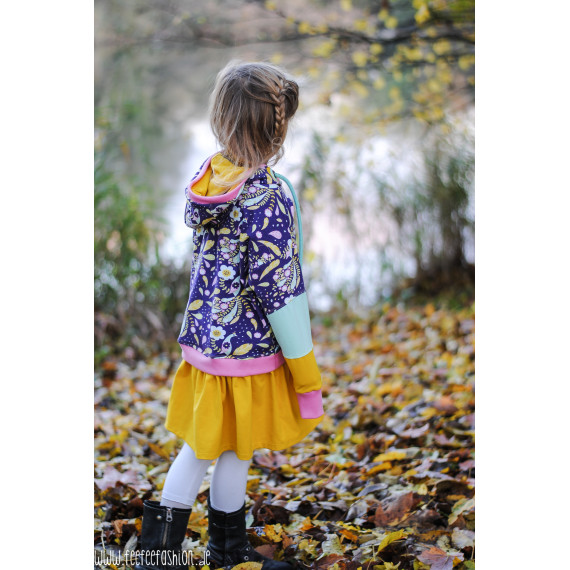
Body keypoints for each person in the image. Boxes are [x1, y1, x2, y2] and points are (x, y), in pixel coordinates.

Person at [134, 61, 325, 570]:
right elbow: (280, 290)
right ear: (279, 128)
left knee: (216, 448)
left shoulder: (212, 180)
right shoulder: (268, 196)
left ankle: (216, 551)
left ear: (221, 120)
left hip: (206, 343)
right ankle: (174, 557)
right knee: (219, 450)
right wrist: (304, 368)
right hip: (248, 352)